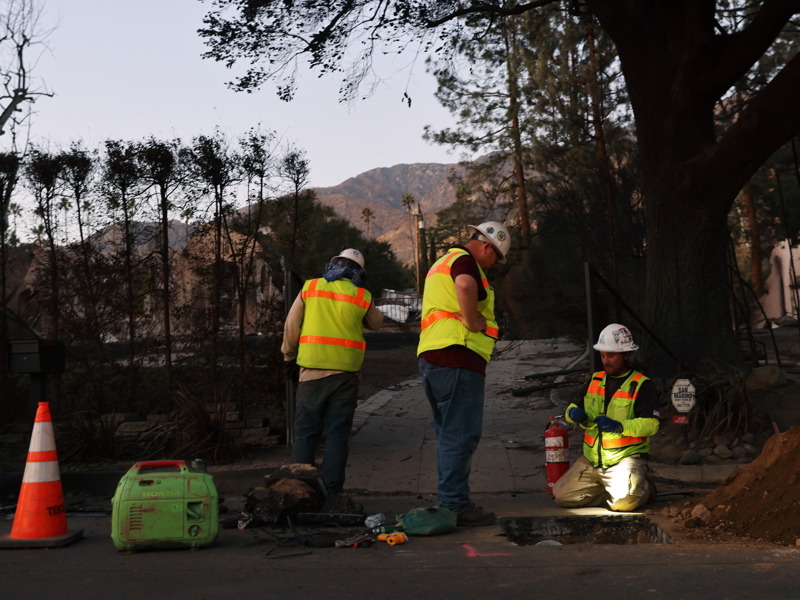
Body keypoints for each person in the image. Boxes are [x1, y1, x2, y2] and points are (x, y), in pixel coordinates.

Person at [417, 221, 511, 526]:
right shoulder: (463, 261)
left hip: (435, 358)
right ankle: (455, 505)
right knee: (461, 435)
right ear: (486, 246)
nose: (494, 265)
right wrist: (473, 322)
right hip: (458, 355)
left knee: (449, 435)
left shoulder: (440, 263)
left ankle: (450, 500)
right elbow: (466, 286)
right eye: (495, 258)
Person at [282, 248, 383, 495]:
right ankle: (333, 491)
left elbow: (292, 324)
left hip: (312, 372)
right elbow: (377, 323)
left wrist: (288, 356)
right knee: (337, 434)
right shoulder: (362, 295)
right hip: (346, 375)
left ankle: (301, 490)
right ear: (359, 272)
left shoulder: (311, 287)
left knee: (306, 432)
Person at [553, 323, 660, 512]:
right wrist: (572, 414)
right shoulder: (594, 380)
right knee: (562, 497)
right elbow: (572, 407)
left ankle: (647, 490)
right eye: (603, 355)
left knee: (624, 504)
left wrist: (619, 427)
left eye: (611, 355)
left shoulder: (641, 385)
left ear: (625, 355)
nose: (605, 360)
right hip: (592, 460)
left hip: (625, 459)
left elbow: (652, 425)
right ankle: (612, 490)